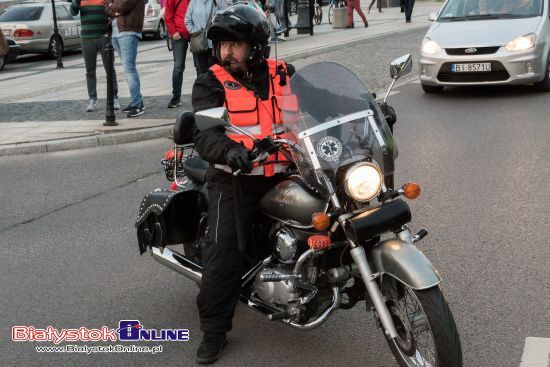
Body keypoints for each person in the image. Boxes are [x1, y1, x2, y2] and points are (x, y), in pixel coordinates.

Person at [191, 4, 295, 364]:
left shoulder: (284, 74)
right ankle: (214, 330)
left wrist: (365, 108)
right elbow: (205, 136)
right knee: (223, 249)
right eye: (222, 45)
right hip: (237, 177)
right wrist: (230, 152)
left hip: (286, 171)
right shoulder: (210, 83)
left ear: (256, 45)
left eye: (235, 45)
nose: (227, 53)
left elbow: (317, 107)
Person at [70, 0, 120, 112]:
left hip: (103, 36)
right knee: (90, 70)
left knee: (109, 68)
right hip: (87, 37)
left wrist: (109, 31)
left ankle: (114, 97)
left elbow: (113, 11)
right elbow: (73, 12)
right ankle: (92, 99)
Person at [104, 0, 145, 117]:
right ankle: (137, 101)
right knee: (129, 69)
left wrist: (113, 7)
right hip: (116, 31)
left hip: (128, 30)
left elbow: (122, 6)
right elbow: (105, 6)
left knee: (129, 69)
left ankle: (137, 105)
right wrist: (114, 10)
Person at [185, 0, 228, 76]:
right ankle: (205, 86)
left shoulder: (218, 1)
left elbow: (226, 15)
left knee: (217, 69)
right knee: (202, 70)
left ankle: (216, 86)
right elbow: (187, 20)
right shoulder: (194, 2)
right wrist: (196, 31)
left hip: (214, 41)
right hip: (200, 42)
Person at [164, 0, 191, 108]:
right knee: (178, 67)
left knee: (200, 66)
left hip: (195, 33)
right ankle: (176, 97)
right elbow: (168, 15)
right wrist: (173, 31)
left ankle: (204, 95)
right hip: (179, 34)